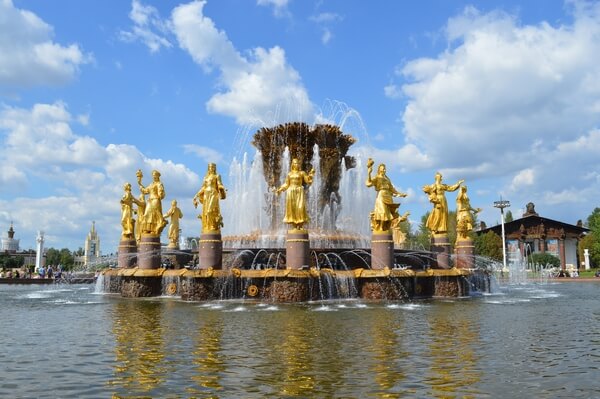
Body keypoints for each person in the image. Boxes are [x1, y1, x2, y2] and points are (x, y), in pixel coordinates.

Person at [365, 158, 408, 232]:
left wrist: (400, 194)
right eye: (383, 169)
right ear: (380, 170)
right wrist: (369, 173)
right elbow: (369, 183)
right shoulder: (377, 177)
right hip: (381, 195)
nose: (384, 170)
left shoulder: (387, 179)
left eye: (385, 169)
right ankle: (381, 228)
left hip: (388, 196)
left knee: (388, 213)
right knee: (383, 211)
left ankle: (385, 227)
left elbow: (392, 189)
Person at [275, 158, 314, 230]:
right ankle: (294, 226)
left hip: (299, 191)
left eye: (298, 163)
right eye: (295, 163)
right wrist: (279, 190)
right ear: (292, 164)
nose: (297, 164)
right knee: (292, 208)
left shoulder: (302, 173)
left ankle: (301, 225)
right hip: (291, 191)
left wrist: (311, 174)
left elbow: (308, 181)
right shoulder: (289, 174)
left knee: (300, 208)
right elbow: (286, 184)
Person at [193, 163, 226, 233]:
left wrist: (223, 189)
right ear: (208, 168)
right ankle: (208, 227)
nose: (212, 168)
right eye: (210, 167)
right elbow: (203, 188)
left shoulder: (217, 176)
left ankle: (213, 226)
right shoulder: (205, 178)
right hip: (206, 195)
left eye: (213, 167)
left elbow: (219, 184)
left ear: (215, 168)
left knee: (210, 211)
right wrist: (196, 195)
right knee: (205, 213)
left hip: (213, 194)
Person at [137, 169, 167, 236]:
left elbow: (161, 194)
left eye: (155, 175)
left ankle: (154, 229)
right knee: (147, 214)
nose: (153, 177)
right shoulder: (151, 184)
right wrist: (139, 183)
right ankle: (148, 229)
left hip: (156, 200)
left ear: (158, 176)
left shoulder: (159, 184)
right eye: (153, 175)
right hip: (150, 201)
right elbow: (145, 191)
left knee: (155, 215)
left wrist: (160, 193)